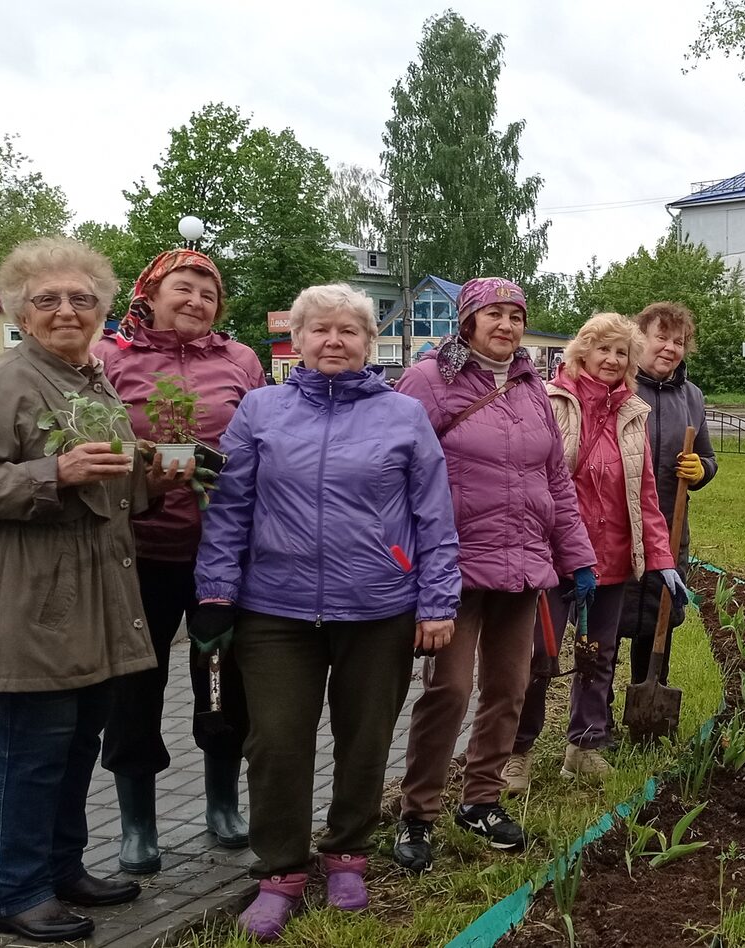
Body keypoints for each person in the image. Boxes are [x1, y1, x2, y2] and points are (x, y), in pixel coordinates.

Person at [0, 236, 194, 942]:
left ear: (103, 307)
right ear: (21, 310)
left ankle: (62, 870)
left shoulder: (90, 379)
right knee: (34, 752)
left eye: (81, 298)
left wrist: (147, 481)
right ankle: (15, 892)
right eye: (48, 300)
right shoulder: (7, 381)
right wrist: (53, 475)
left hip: (93, 600)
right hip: (30, 604)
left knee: (76, 746)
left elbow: (101, 482)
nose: (67, 310)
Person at [192, 283, 460, 941]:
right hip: (274, 610)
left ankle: (347, 853)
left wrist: (436, 601)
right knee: (276, 742)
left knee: (365, 740)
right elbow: (229, 509)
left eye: (348, 331)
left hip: (379, 606)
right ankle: (280, 870)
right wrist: (215, 594)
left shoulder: (403, 416)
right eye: (320, 330)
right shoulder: (259, 410)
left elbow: (434, 514)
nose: (334, 341)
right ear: (299, 341)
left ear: (369, 344)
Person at [391, 278, 595, 872]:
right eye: (493, 315)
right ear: (468, 320)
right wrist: (405, 561)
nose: (505, 325)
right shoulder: (429, 381)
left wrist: (576, 557)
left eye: (515, 315)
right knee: (449, 689)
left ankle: (481, 799)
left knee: (511, 685)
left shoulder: (535, 387)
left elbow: (555, 479)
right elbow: (396, 470)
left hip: (523, 563)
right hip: (450, 566)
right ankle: (418, 811)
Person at [93, 248, 265, 873]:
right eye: (183, 289)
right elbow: (91, 438)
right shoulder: (110, 358)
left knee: (222, 680)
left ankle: (223, 803)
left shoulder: (240, 360)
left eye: (208, 294)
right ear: (153, 293)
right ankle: (138, 822)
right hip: (136, 556)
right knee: (134, 688)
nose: (196, 302)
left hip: (220, 557)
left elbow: (264, 437)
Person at [513, 313, 687, 780]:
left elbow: (645, 495)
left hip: (610, 557)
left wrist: (662, 560)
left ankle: (584, 747)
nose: (612, 360)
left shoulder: (632, 413)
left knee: (597, 653)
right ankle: (516, 751)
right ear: (582, 351)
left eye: (622, 353)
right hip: (553, 559)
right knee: (537, 656)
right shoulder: (550, 403)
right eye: (603, 349)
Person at [616, 302, 717, 687]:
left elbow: (708, 457)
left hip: (670, 523)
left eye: (679, 341)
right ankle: (597, 714)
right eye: (661, 337)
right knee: (609, 618)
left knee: (659, 608)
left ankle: (650, 687)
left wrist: (701, 469)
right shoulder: (618, 386)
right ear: (639, 338)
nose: (670, 348)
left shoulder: (691, 396)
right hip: (618, 523)